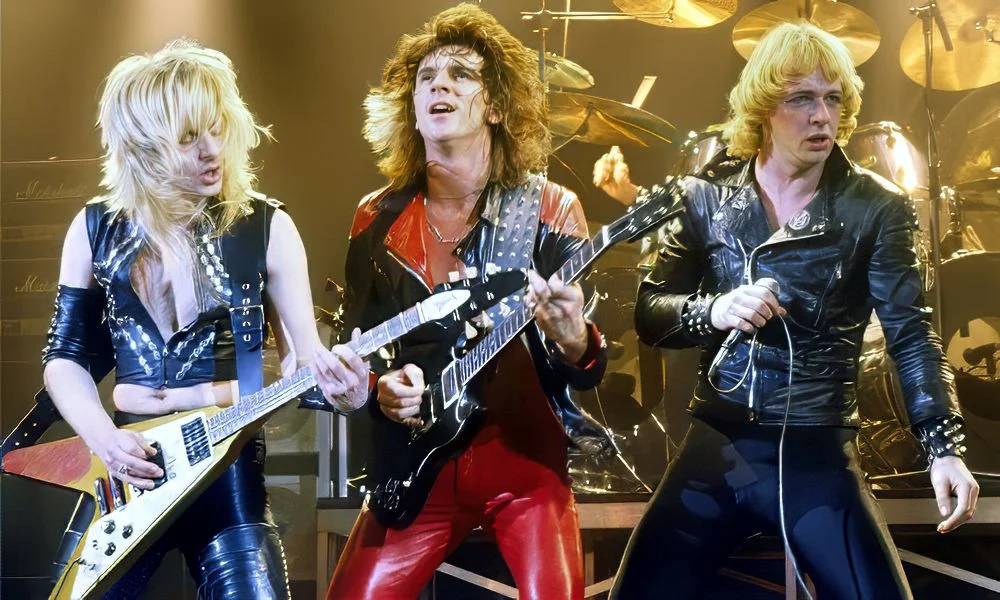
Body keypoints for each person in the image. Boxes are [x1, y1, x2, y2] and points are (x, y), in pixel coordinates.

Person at [593, 21, 979, 600]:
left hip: (815, 446)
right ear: (763, 108)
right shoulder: (707, 195)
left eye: (833, 99)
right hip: (717, 440)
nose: (822, 116)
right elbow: (649, 313)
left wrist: (943, 447)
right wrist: (713, 310)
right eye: (802, 99)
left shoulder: (875, 206)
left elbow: (911, 334)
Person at [41, 39, 369, 599]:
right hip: (126, 467)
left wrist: (348, 393)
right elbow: (63, 356)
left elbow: (304, 361)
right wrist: (103, 439)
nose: (212, 150)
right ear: (144, 146)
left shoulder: (266, 226)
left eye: (217, 128)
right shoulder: (94, 229)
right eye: (189, 138)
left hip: (226, 468)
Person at [327, 4, 611, 599]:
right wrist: (381, 389)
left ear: (497, 106)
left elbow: (587, 367)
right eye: (427, 78)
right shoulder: (375, 216)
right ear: (410, 107)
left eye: (461, 74)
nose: (440, 85)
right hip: (416, 469)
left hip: (526, 469)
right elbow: (360, 343)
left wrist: (572, 337)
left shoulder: (549, 207)